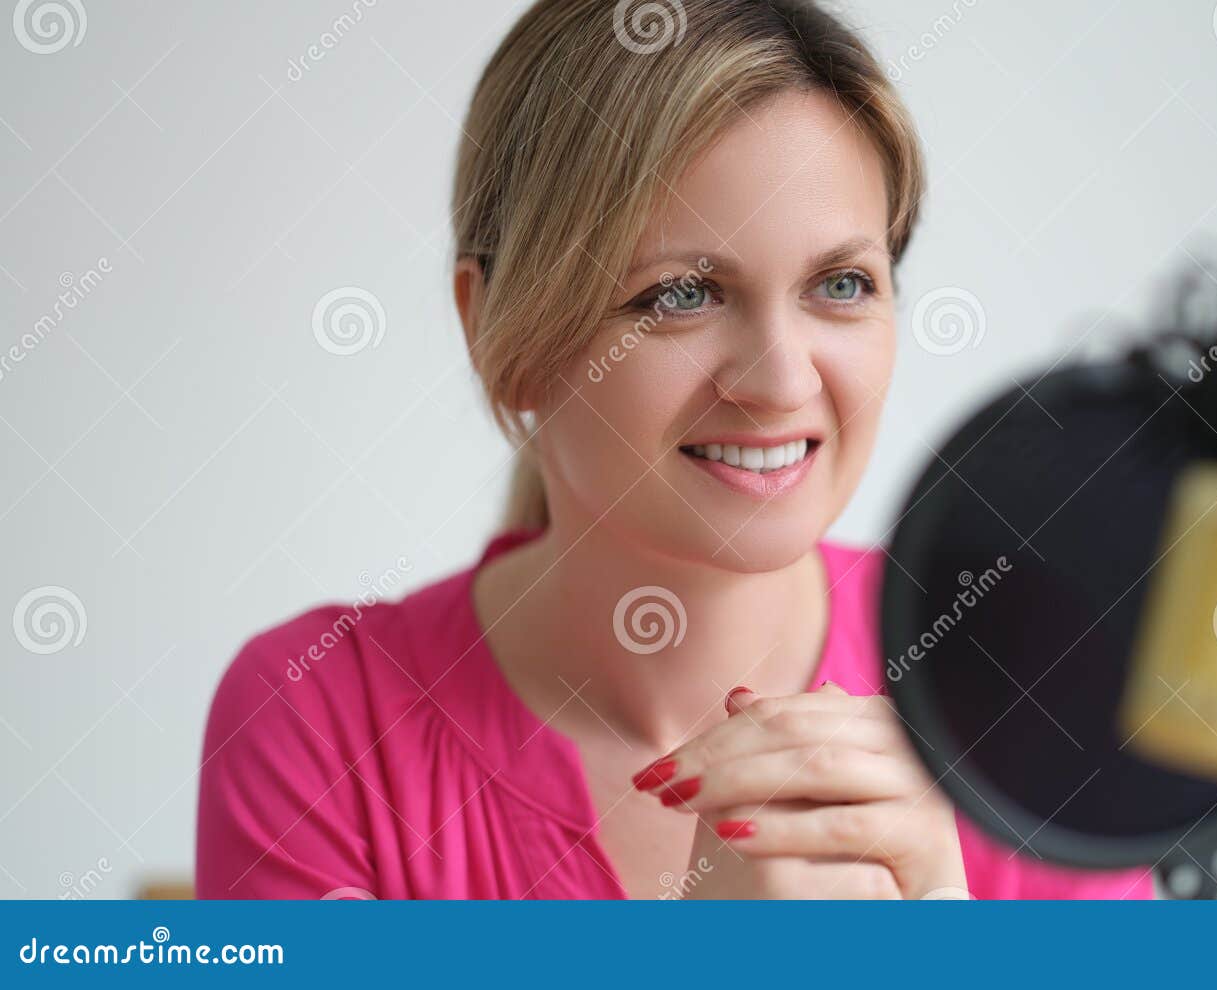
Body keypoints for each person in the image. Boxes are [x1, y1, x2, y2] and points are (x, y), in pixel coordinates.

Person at [196, 0, 1153, 900]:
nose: (781, 382)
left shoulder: (1034, 689)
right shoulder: (319, 723)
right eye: (679, 295)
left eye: (843, 283)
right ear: (496, 333)